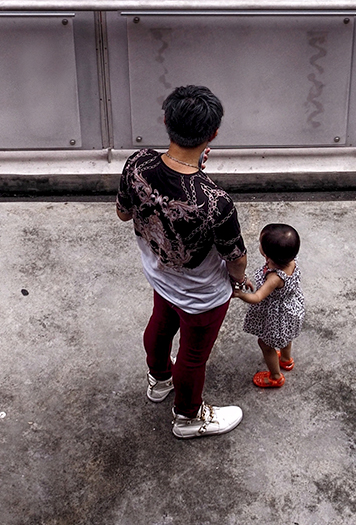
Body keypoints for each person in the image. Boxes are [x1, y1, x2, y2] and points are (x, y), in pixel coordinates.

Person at [116, 85, 251, 439]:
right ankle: (188, 417)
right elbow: (235, 259)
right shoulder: (216, 202)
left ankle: (159, 380)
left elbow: (122, 213)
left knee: (161, 324)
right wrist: (238, 282)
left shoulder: (137, 163)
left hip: (159, 275)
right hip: (200, 294)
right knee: (193, 357)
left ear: (166, 121)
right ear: (213, 134)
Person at [233, 223, 305, 388]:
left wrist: (241, 294)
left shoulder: (274, 278)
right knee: (287, 336)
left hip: (276, 316)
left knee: (265, 344)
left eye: (260, 243)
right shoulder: (291, 261)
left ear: (267, 255)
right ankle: (286, 360)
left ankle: (275, 376)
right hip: (291, 309)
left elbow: (258, 297)